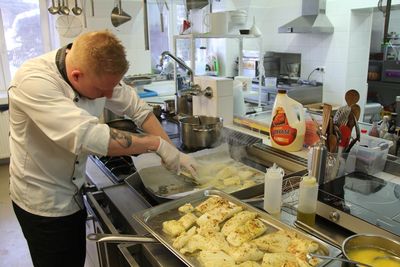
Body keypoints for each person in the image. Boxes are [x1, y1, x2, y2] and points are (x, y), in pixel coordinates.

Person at [8, 30, 197, 267]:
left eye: (112, 88)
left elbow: (137, 109)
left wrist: (173, 152)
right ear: (76, 76)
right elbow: (88, 136)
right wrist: (155, 144)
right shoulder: (34, 82)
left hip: (72, 190)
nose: (109, 96)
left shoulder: (96, 71)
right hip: (43, 202)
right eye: (101, 91)